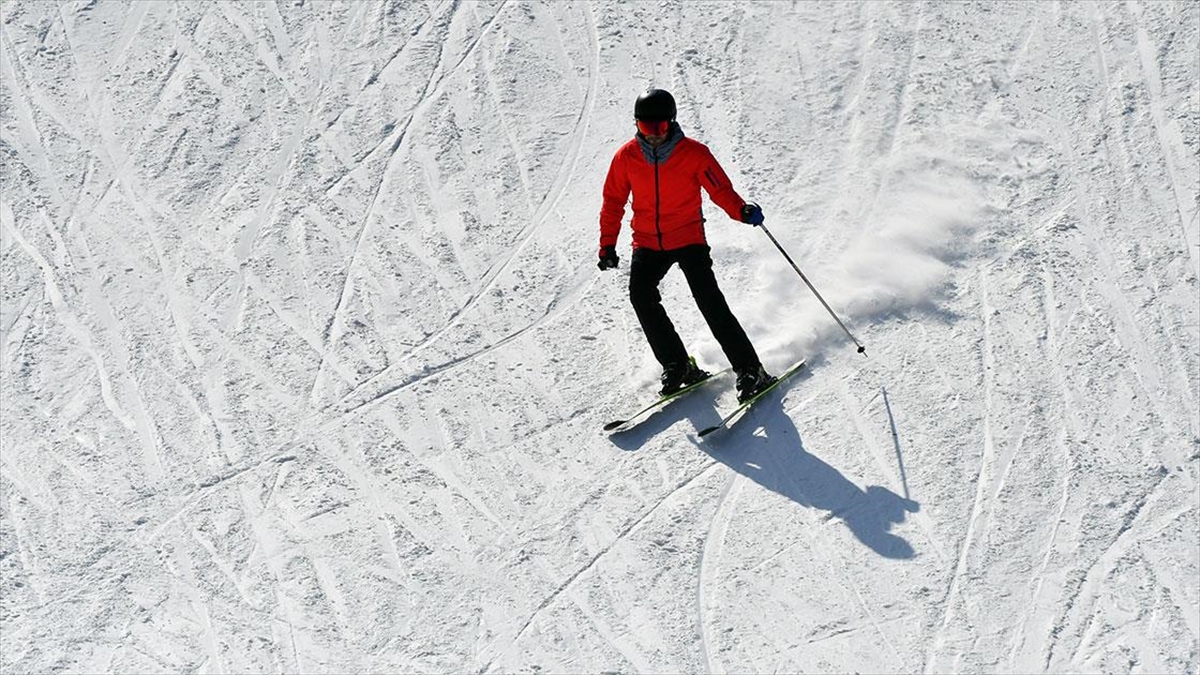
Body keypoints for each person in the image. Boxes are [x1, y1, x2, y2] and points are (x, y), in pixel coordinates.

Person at [597, 88, 775, 402]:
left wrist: (741, 210)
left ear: (672, 123)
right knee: (641, 296)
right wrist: (607, 246)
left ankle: (751, 370)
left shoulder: (694, 153)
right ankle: (678, 365)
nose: (653, 136)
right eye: (645, 128)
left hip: (688, 237)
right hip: (648, 242)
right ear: (636, 125)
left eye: (660, 128)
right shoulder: (626, 157)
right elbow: (613, 202)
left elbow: (721, 190)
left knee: (710, 302)